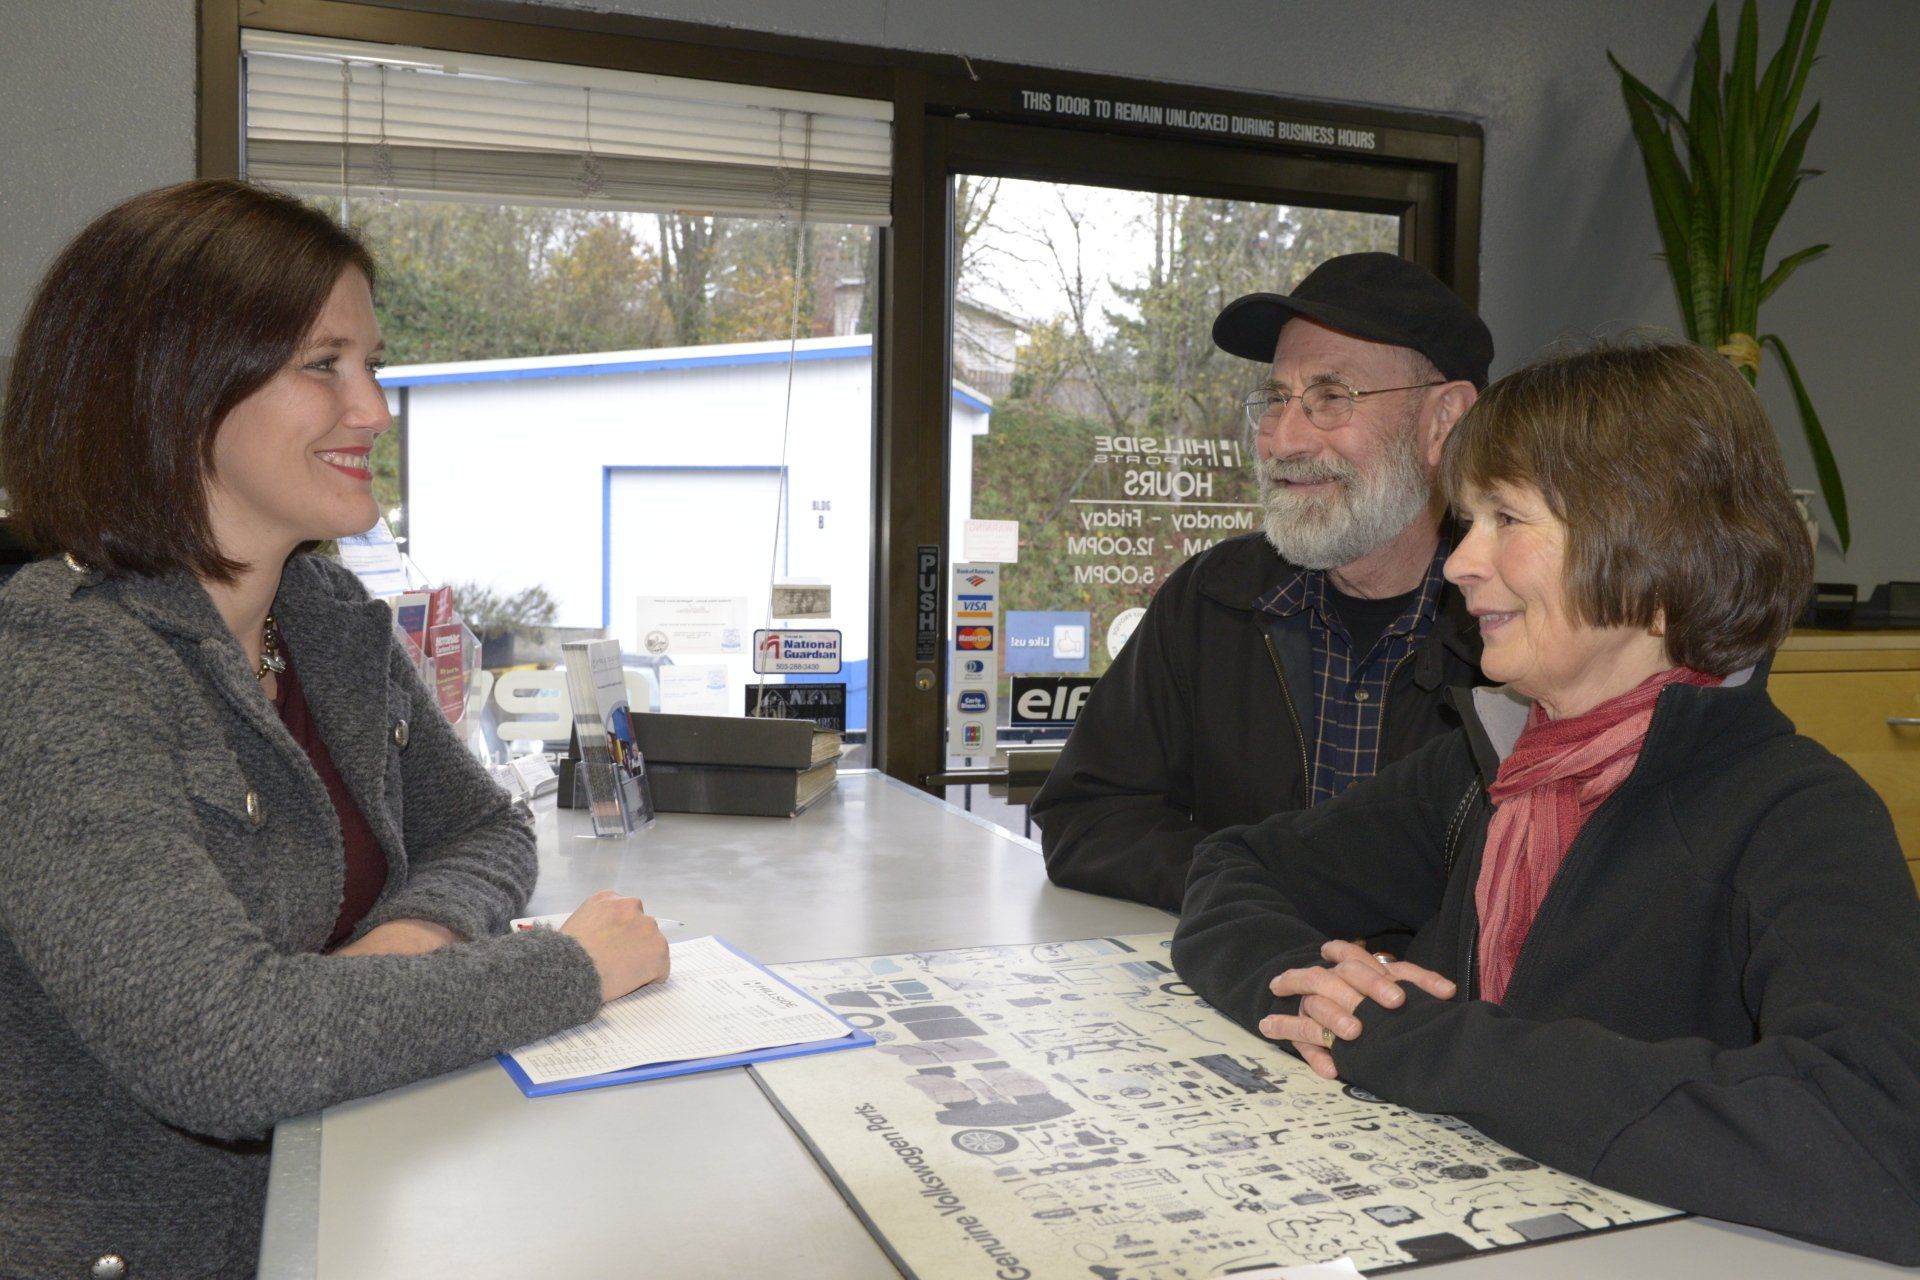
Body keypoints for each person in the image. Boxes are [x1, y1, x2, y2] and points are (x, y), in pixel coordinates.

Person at [0, 180, 671, 1277]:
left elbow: (487, 831)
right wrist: (569, 969)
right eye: (325, 365)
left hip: (332, 1210)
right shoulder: (59, 664)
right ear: (170, 383)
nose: (374, 409)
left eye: (371, 364)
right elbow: (221, 1046)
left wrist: (403, 947)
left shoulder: (324, 619)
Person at [1173, 338, 1920, 1264]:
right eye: (1468, 518)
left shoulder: (1797, 816)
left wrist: (1418, 1043)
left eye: (1505, 519)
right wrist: (1309, 992)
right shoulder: (1487, 765)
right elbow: (1235, 869)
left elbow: (1881, 1140)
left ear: (1655, 559)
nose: (1459, 562)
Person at [1033, 253, 1492, 910]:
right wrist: (1260, 896)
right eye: (1276, 399)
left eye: (1331, 398)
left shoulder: (1517, 628)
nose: (1283, 439)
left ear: (1443, 421)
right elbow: (1089, 817)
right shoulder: (1215, 598)